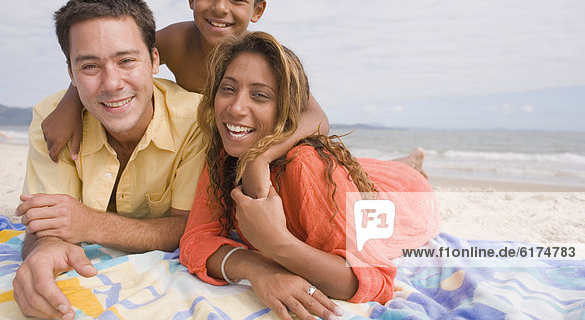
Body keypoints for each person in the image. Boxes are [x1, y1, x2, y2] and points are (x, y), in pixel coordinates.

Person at [40, 0, 425, 198]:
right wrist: (71, 102)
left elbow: (318, 118)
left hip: (260, 149)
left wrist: (265, 154)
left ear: (257, 10)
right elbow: (116, 58)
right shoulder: (173, 40)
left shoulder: (260, 58)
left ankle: (404, 166)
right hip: (216, 151)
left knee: (346, 178)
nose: (220, 7)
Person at [180, 32, 440, 320]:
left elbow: (377, 280)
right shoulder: (225, 153)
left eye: (260, 95)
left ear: (285, 110)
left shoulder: (306, 166)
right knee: (363, 171)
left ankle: (410, 167)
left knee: (390, 180)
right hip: (354, 181)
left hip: (402, 199)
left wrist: (277, 243)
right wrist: (255, 268)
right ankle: (406, 161)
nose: (236, 107)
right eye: (228, 89)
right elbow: (196, 239)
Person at [13, 0, 206, 320]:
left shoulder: (197, 121)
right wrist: (45, 249)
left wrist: (90, 225)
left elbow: (189, 226)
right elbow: (47, 224)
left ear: (155, 59)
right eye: (90, 66)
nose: (112, 83)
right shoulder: (51, 118)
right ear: (71, 74)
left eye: (127, 60)